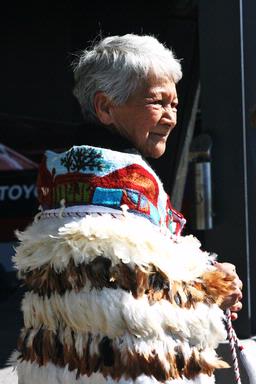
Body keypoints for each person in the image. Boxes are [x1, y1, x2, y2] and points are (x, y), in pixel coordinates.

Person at [12, 34, 242, 384]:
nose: (170, 118)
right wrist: (212, 290)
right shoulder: (124, 178)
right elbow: (138, 298)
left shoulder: (58, 169)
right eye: (157, 103)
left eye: (175, 105)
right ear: (105, 107)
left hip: (65, 367)